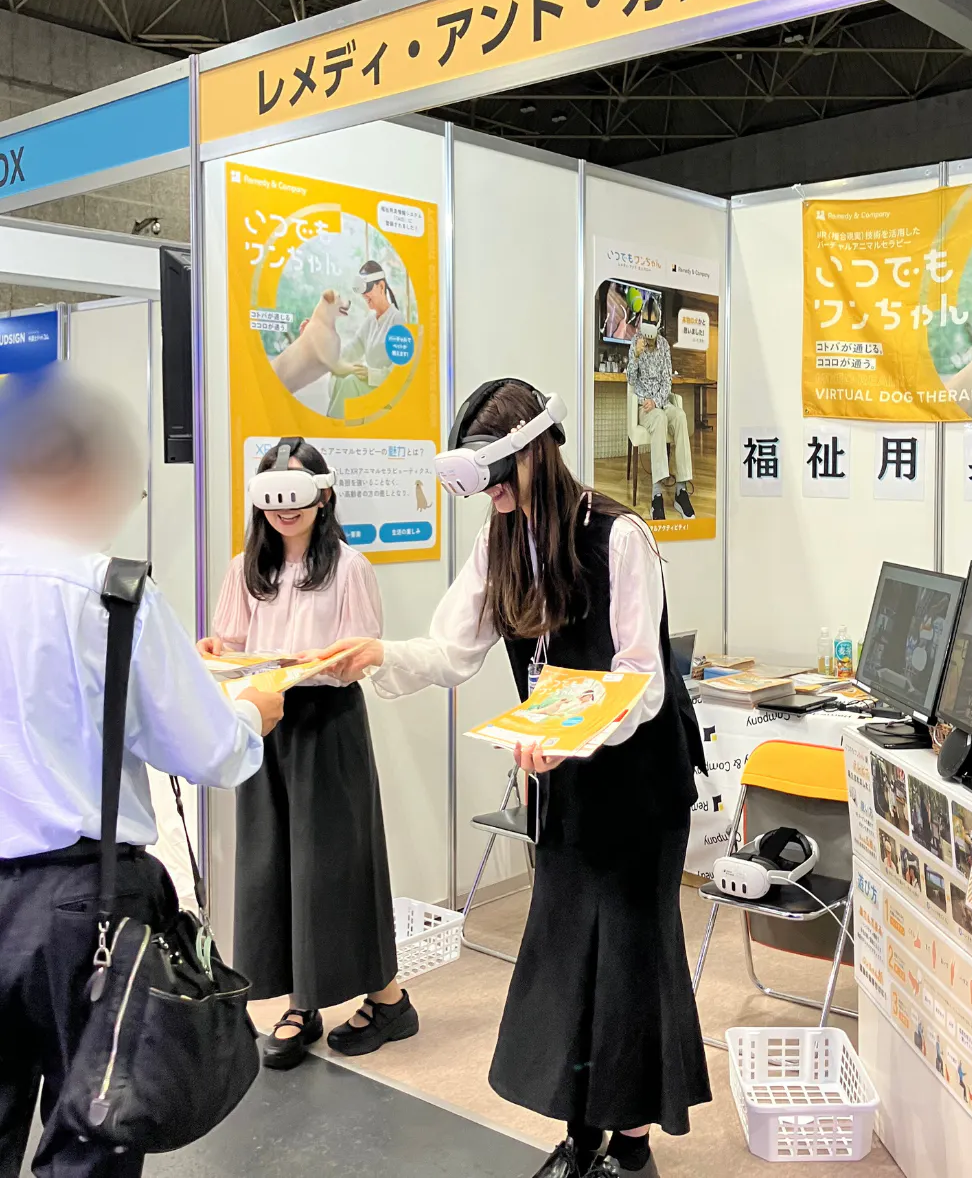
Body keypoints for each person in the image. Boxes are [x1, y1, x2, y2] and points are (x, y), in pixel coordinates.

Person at [313, 378, 711, 1178]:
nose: (489, 494)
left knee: (629, 957)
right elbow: (452, 648)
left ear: (536, 453)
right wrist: (379, 655)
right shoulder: (497, 542)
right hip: (559, 780)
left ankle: (632, 1145)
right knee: (566, 956)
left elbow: (641, 678)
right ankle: (582, 1135)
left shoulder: (619, 536)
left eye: (498, 475)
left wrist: (572, 733)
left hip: (638, 782)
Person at [0, 366, 283, 1178]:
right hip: (83, 906)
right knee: (95, 1126)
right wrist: (252, 711)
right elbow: (209, 751)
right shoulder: (112, 595)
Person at [198, 437, 415, 1070]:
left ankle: (389, 1000)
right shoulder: (245, 569)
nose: (283, 509)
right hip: (264, 720)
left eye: (294, 493)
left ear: (323, 495)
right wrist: (217, 650)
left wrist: (324, 662)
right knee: (272, 864)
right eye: (271, 496)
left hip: (328, 723)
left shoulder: (350, 567)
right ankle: (301, 1003)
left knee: (338, 863)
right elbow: (232, 642)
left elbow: (361, 654)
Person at [625, 298, 694, 522]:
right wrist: (636, 356)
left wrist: (657, 400)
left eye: (652, 322)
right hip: (644, 407)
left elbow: (667, 380)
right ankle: (656, 495)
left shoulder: (664, 345)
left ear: (659, 322)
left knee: (680, 416)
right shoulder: (635, 342)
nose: (649, 326)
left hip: (661, 402)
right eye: (645, 321)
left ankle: (681, 490)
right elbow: (630, 379)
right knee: (660, 419)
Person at [328, 260, 407, 417]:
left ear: (381, 286)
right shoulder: (370, 321)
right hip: (372, 384)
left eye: (368, 288)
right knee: (340, 378)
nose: (364, 295)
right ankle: (333, 424)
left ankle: (332, 426)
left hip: (388, 390)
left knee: (351, 382)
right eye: (362, 290)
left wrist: (370, 374)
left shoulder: (397, 320)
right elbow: (353, 347)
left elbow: (399, 372)